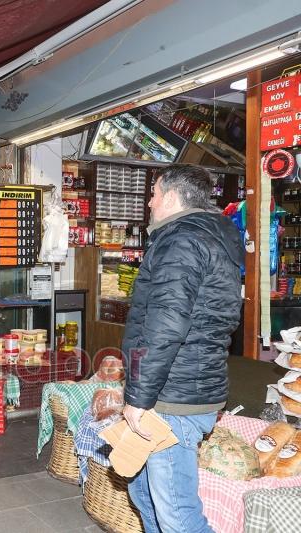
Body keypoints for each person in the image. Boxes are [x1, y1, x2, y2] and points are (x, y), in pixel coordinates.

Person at [121, 164, 245, 533]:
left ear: (172, 197)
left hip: (174, 397)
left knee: (177, 513)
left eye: (155, 193)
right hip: (180, 386)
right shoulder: (205, 237)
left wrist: (139, 398)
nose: (149, 201)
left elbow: (164, 327)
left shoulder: (182, 241)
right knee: (143, 493)